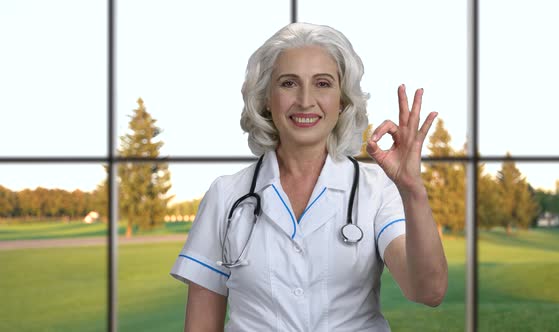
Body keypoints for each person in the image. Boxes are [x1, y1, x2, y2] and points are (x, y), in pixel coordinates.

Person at [170, 22, 448, 331]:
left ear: (342, 101)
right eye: (289, 83)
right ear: (265, 97)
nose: (305, 100)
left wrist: (413, 190)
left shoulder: (377, 189)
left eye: (323, 84)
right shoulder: (227, 196)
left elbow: (428, 290)